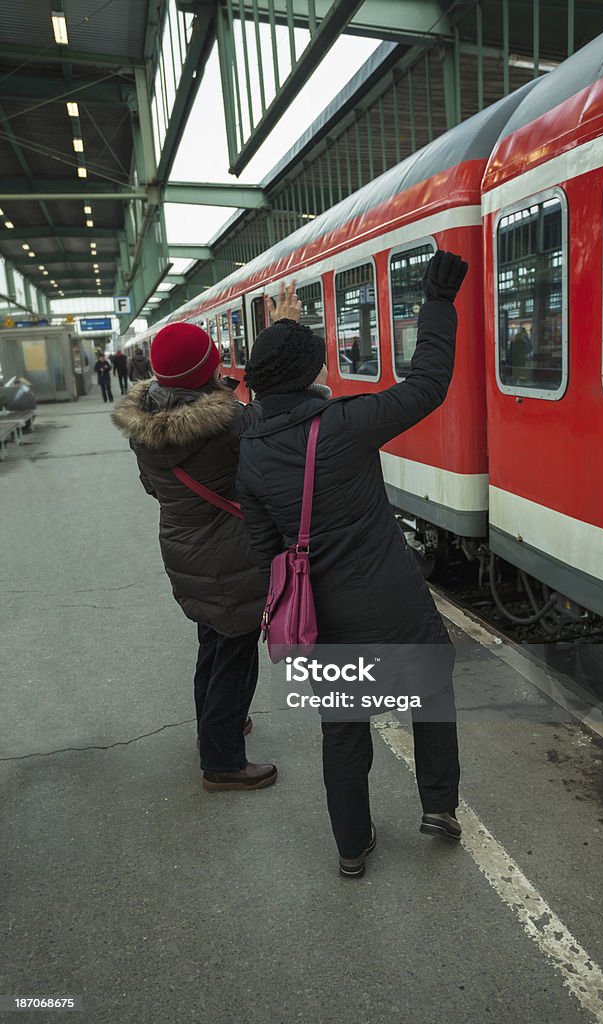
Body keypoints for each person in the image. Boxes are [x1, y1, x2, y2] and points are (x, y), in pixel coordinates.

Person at [237, 251, 467, 877]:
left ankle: (351, 847)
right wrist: (438, 301)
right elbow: (428, 383)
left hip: (322, 616)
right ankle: (439, 806)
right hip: (392, 596)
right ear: (314, 372)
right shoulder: (348, 423)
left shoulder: (251, 454)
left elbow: (265, 549)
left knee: (343, 730)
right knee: (433, 690)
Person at [111, 285, 300, 791]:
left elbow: (154, 488)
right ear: (205, 373)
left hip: (184, 546)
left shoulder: (145, 425)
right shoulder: (229, 424)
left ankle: (216, 728)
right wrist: (281, 330)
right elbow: (279, 412)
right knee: (235, 656)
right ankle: (222, 762)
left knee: (212, 643)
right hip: (230, 556)